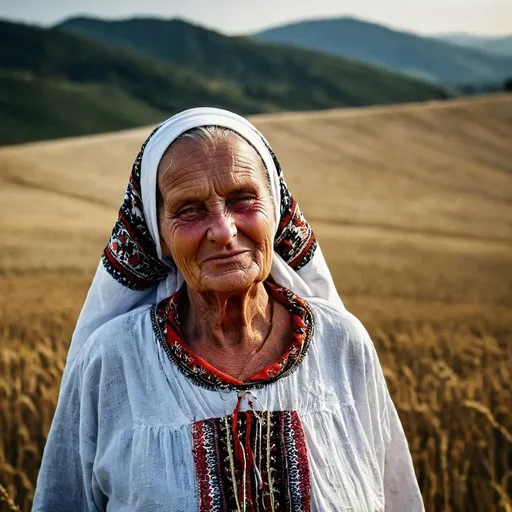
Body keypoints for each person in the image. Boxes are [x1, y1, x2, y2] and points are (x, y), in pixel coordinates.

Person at [33, 108, 424, 511]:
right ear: (158, 236)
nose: (223, 230)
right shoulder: (112, 361)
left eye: (243, 200)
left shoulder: (342, 344)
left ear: (277, 212)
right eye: (190, 210)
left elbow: (397, 499)